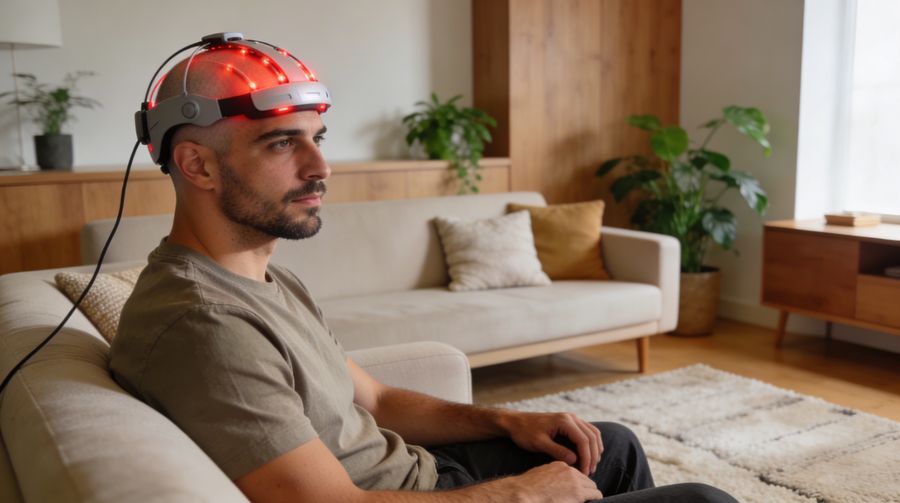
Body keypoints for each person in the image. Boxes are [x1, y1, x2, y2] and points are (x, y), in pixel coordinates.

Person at [110, 38, 737, 503]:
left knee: (608, 444)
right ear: (196, 165)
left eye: (316, 138)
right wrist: (522, 493)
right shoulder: (205, 325)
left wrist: (506, 421)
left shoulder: (262, 278)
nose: (320, 167)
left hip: (424, 476)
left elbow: (376, 398)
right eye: (281, 143)